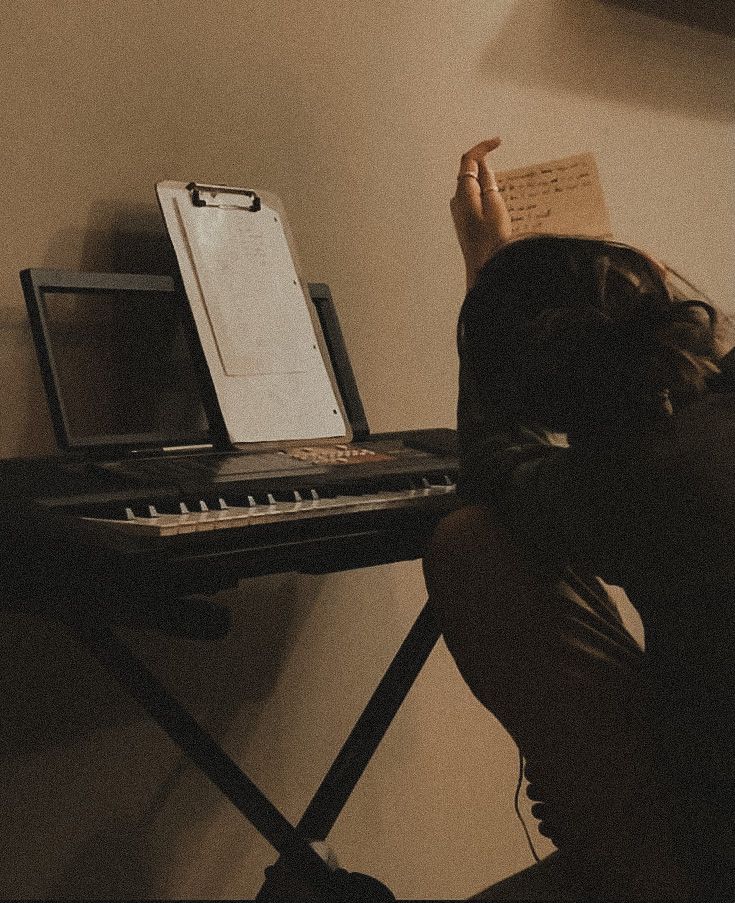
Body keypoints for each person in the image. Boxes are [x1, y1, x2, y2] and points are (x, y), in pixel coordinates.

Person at [423, 138, 735, 900]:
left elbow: (495, 459)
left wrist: (486, 263)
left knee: (468, 540)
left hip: (714, 840)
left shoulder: (623, 484)